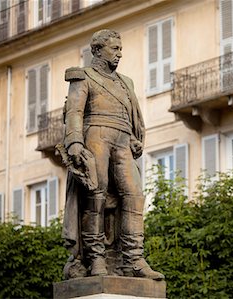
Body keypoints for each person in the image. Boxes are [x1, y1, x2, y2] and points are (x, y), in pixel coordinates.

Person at [62, 29, 163, 280]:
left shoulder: (125, 82)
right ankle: (95, 258)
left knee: (134, 194)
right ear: (97, 50)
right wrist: (75, 142)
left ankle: (134, 259)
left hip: (122, 140)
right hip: (95, 134)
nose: (119, 54)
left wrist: (134, 139)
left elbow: (130, 115)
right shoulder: (82, 77)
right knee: (96, 194)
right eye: (114, 49)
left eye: (120, 49)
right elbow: (74, 112)